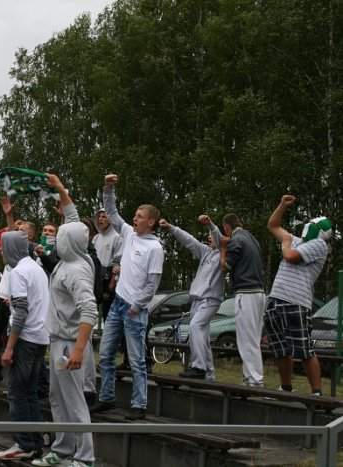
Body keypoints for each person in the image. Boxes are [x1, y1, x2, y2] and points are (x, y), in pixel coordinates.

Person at [33, 175, 96, 467]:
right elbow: (73, 222)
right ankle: (62, 448)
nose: (55, 239)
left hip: (71, 345)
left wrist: (79, 351)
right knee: (58, 398)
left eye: (59, 237)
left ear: (67, 242)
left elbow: (89, 311)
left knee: (74, 401)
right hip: (59, 341)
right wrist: (60, 189)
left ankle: (85, 457)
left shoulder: (76, 270)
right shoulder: (71, 257)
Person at [94, 173, 164, 420]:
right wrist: (108, 188)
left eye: (140, 216)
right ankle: (106, 397)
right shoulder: (129, 234)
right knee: (105, 354)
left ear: (151, 222)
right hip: (117, 304)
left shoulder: (155, 248)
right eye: (135, 215)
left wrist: (137, 305)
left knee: (136, 360)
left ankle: (139, 404)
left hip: (135, 309)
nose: (135, 219)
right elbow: (112, 212)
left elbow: (152, 284)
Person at [264, 195, 331, 395]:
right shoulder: (295, 240)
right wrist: (282, 205)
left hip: (296, 301)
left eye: (312, 225)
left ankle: (316, 393)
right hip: (276, 298)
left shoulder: (319, 246)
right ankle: (286, 388)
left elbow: (290, 256)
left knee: (304, 349)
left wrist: (286, 242)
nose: (308, 227)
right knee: (280, 348)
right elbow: (273, 225)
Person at [0, 229, 50, 461]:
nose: (1, 251)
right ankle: (34, 442)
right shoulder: (36, 269)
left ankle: (24, 442)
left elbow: (21, 313)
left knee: (17, 393)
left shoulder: (18, 272)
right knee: (30, 394)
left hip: (25, 339)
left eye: (3, 247)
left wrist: (9, 347)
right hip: (40, 337)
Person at [159, 215, 224, 380]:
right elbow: (189, 240)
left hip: (210, 299)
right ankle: (209, 374)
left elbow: (218, 237)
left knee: (195, 327)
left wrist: (210, 224)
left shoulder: (223, 254)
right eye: (208, 236)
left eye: (211, 236)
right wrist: (171, 228)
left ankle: (198, 367)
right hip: (197, 300)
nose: (209, 238)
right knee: (202, 335)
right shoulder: (206, 252)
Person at [219, 212, 265, 387]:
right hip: (259, 292)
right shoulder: (252, 239)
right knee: (254, 338)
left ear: (226, 227)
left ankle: (254, 380)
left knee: (246, 339)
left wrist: (223, 248)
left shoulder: (236, 240)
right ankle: (250, 377)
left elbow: (225, 267)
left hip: (246, 293)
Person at [92, 208, 123, 322]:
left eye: (104, 217)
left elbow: (118, 263)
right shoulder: (96, 238)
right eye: (99, 217)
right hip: (96, 277)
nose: (100, 219)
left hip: (109, 279)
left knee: (108, 314)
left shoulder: (117, 237)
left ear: (110, 219)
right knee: (91, 312)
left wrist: (111, 285)